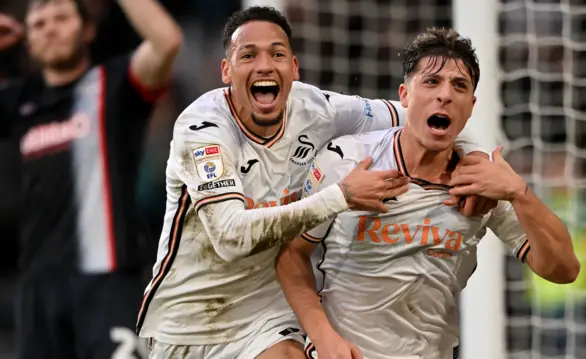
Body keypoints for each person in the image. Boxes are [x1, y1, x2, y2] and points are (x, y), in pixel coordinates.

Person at [137, 6, 494, 359]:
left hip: (265, 317)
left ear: (294, 68)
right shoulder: (202, 130)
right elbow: (230, 238)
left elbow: (419, 110)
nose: (264, 65)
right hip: (185, 323)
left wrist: (475, 155)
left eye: (277, 53)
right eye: (249, 55)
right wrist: (340, 196)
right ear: (226, 71)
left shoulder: (317, 108)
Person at [275, 28, 581, 359]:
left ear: (471, 105)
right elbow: (291, 255)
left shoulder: (483, 185)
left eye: (459, 86)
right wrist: (323, 337)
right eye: (432, 82)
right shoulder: (346, 160)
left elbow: (564, 270)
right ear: (404, 96)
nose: (445, 95)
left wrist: (520, 193)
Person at [0, 0, 182, 358]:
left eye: (62, 18)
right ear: (28, 42)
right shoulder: (20, 102)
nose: (50, 28)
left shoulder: (114, 85)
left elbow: (167, 41)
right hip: (39, 288)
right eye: (39, 24)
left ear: (88, 29)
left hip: (110, 282)